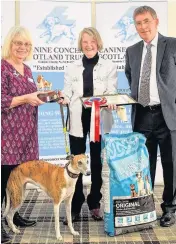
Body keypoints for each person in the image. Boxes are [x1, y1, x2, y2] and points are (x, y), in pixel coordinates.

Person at [59, 27, 117, 224]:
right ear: (80, 44)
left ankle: (94, 203)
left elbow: (112, 91)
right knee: (75, 164)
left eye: (92, 41)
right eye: (85, 42)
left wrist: (111, 99)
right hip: (77, 118)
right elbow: (67, 92)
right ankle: (75, 204)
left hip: (98, 119)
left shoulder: (109, 66)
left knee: (97, 163)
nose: (88, 45)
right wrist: (63, 98)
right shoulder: (71, 67)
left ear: (98, 42)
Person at [125, 6, 176, 227]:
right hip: (143, 114)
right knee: (143, 165)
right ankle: (145, 207)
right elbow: (130, 76)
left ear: (156, 21)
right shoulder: (132, 51)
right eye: (138, 23)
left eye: (146, 21)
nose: (143, 27)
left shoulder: (173, 44)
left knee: (171, 163)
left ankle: (170, 208)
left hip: (169, 115)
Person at [1, 26, 46, 243]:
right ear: (10, 44)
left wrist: (48, 97)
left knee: (20, 177)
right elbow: (2, 100)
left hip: (27, 134)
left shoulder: (27, 70)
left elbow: (32, 96)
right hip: (8, 135)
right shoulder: (2, 68)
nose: (22, 47)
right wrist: (27, 98)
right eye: (18, 43)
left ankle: (14, 214)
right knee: (3, 179)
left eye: (26, 44)